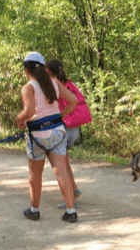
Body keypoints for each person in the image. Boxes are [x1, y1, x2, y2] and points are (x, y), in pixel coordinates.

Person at [16, 52, 80, 223]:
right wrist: (60, 116)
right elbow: (73, 100)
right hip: (58, 133)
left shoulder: (28, 87)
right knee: (62, 172)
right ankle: (71, 211)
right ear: (43, 68)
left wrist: (19, 120)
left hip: (37, 136)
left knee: (35, 175)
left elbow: (29, 112)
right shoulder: (54, 83)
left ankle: (34, 210)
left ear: (26, 69)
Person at [46, 59, 93, 209]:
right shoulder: (69, 84)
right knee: (64, 161)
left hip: (65, 127)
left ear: (49, 71)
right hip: (75, 128)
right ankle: (74, 188)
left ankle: (70, 198)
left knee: (60, 165)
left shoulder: (55, 85)